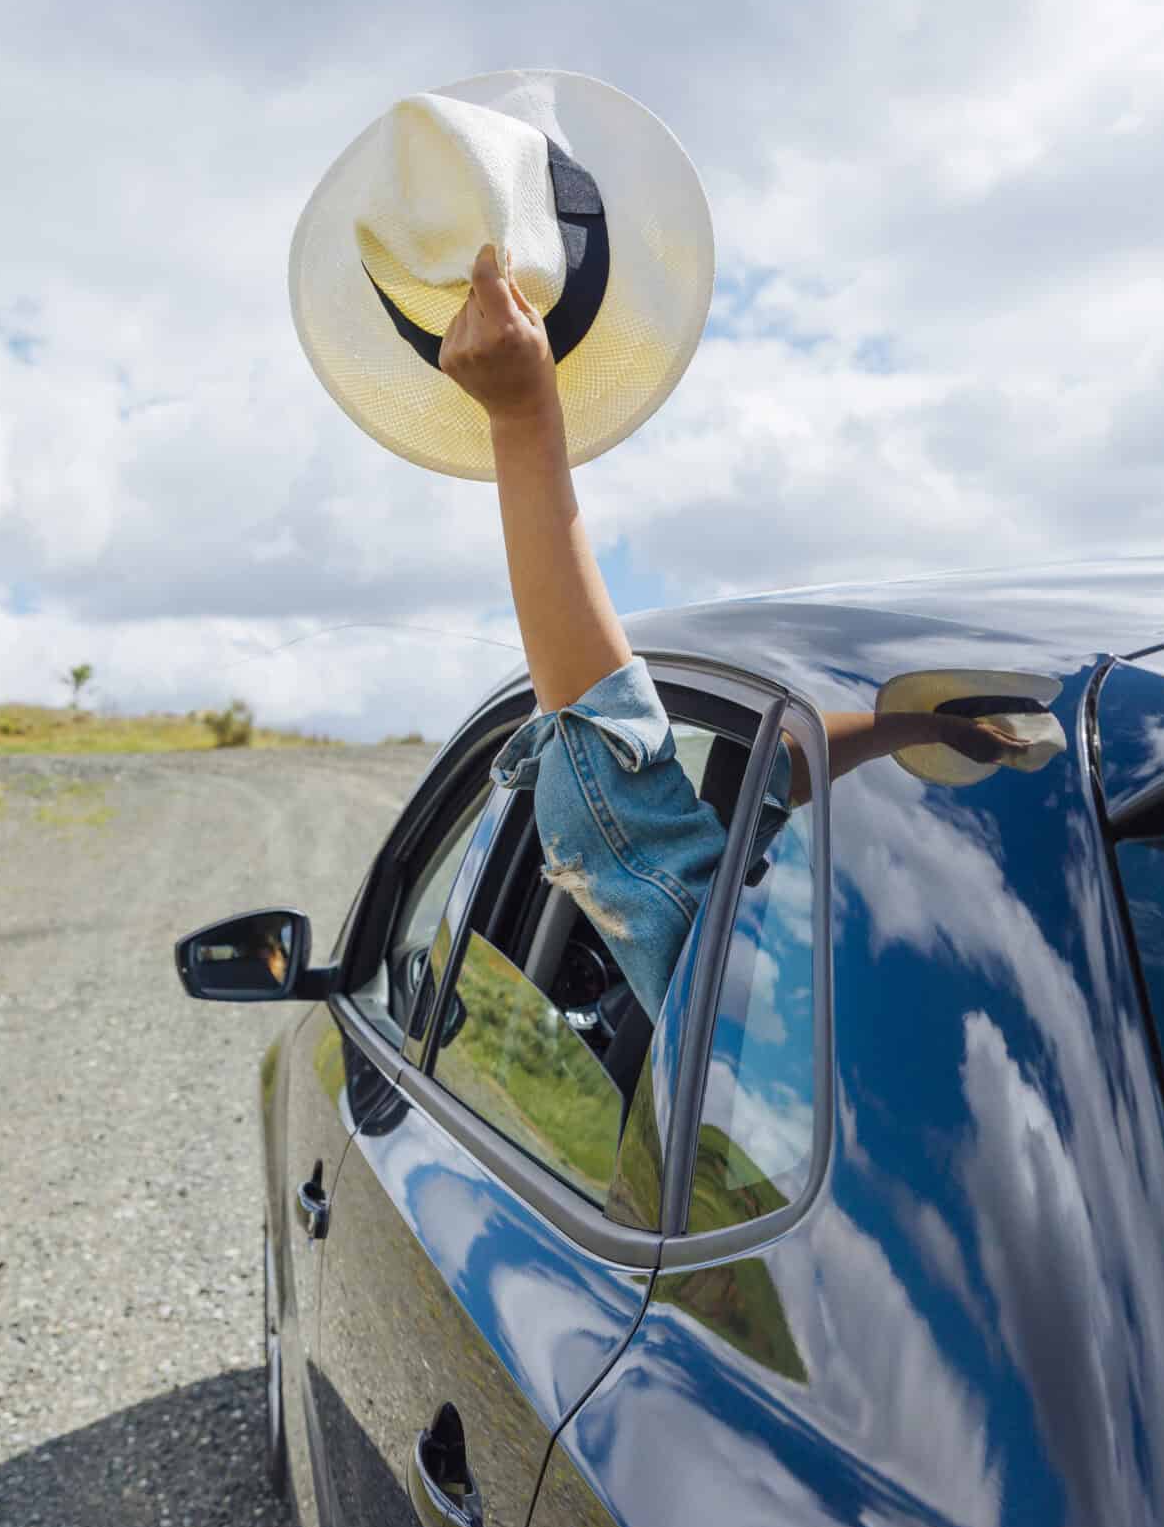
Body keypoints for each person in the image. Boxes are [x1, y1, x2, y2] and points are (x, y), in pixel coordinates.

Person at [436, 243, 1029, 1022]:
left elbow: (603, 784)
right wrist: (915, 727)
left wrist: (520, 418)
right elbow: (765, 782)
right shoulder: (923, 1027)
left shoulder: (744, 1016)